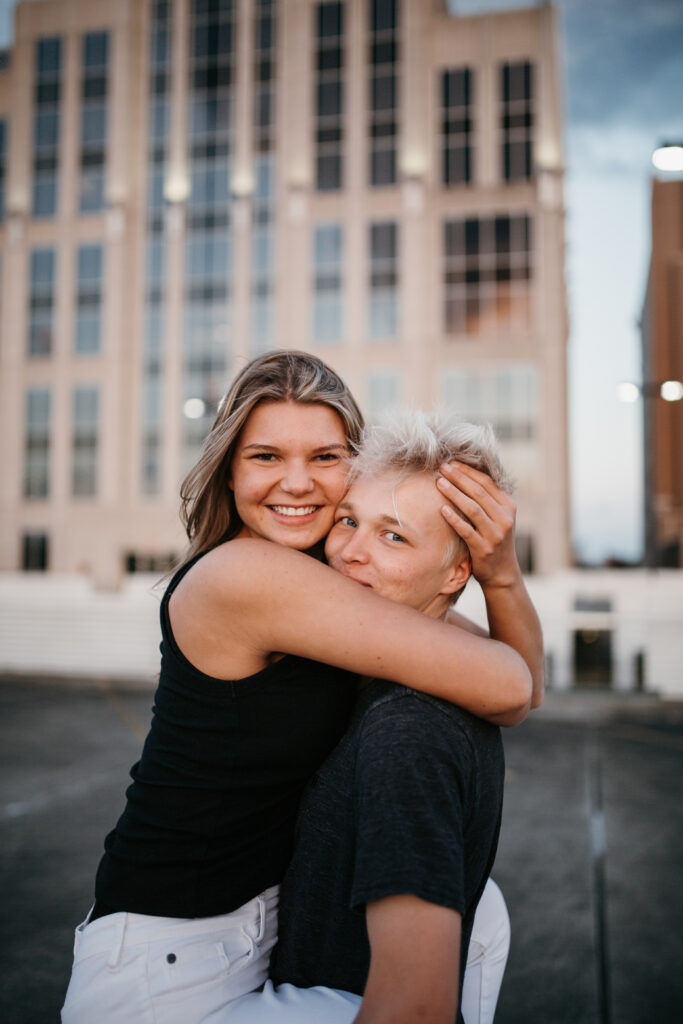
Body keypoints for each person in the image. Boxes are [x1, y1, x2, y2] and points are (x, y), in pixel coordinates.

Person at [61, 352, 539, 1023]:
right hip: (164, 967)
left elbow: (519, 687)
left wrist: (497, 573)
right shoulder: (245, 577)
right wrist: (488, 577)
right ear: (229, 470)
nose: (296, 482)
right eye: (265, 456)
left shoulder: (335, 567)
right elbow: (509, 683)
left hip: (255, 938)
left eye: (324, 456)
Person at [222, 410, 525, 1024]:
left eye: (394, 537)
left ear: (458, 572)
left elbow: (414, 1007)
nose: (352, 553)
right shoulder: (414, 673)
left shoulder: (406, 731)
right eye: (349, 521)